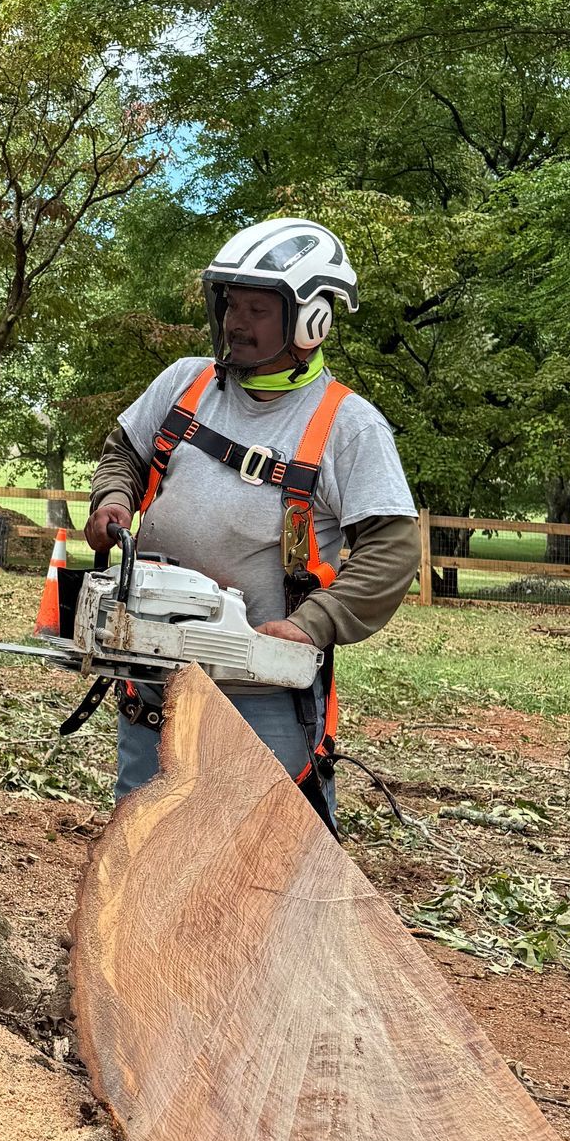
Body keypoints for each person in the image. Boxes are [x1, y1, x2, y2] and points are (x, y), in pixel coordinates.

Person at [83, 217, 418, 825]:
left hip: (260, 691)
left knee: (264, 850)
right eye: (232, 304)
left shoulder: (349, 426)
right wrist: (113, 499)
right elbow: (124, 452)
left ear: (311, 319)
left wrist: (315, 623)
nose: (236, 322)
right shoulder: (186, 382)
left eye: (258, 309)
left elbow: (392, 550)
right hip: (150, 675)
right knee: (144, 837)